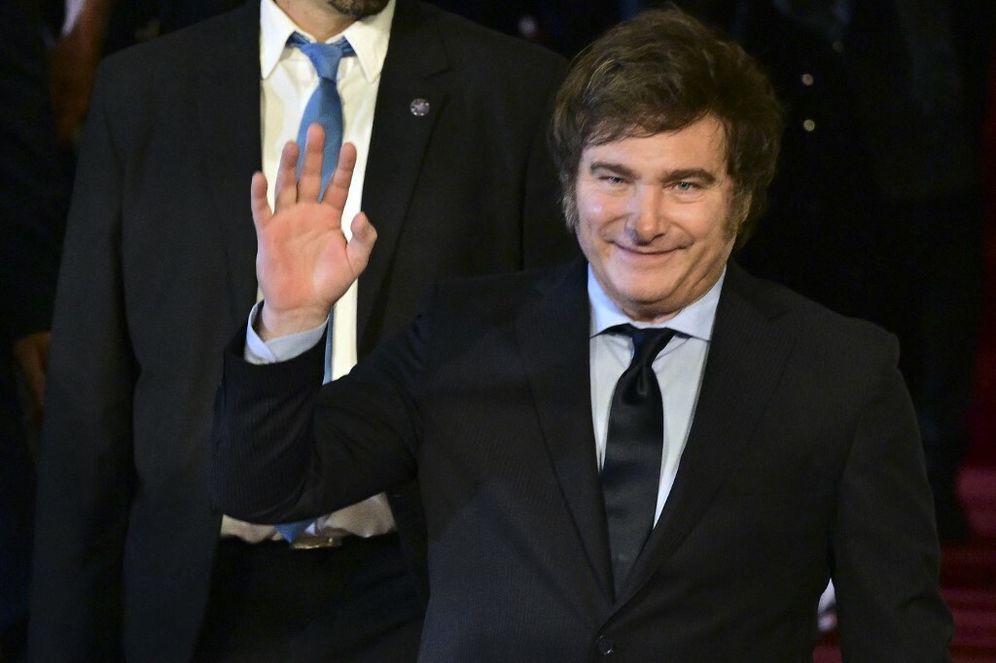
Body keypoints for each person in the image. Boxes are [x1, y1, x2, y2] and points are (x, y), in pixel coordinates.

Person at [212, 7, 952, 659]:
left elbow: (899, 635)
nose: (644, 219)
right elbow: (271, 483)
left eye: (685, 184)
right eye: (614, 176)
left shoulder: (841, 374)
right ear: (569, 187)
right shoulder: (462, 335)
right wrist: (290, 324)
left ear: (742, 197)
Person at [30, 0, 571, 660]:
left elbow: (548, 402)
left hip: (419, 596)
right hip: (194, 598)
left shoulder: (516, 91)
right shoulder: (145, 91)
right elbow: (89, 419)